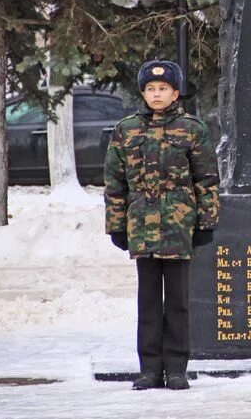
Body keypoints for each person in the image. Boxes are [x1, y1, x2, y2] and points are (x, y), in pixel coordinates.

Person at [104, 59, 219, 390]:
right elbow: (114, 182)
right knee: (149, 301)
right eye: (151, 89)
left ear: (176, 93)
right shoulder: (126, 130)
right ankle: (149, 369)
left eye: (163, 89)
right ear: (142, 92)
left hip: (178, 227)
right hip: (141, 228)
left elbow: (207, 179)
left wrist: (205, 222)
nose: (157, 94)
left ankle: (177, 369)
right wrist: (116, 225)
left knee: (179, 303)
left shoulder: (192, 129)